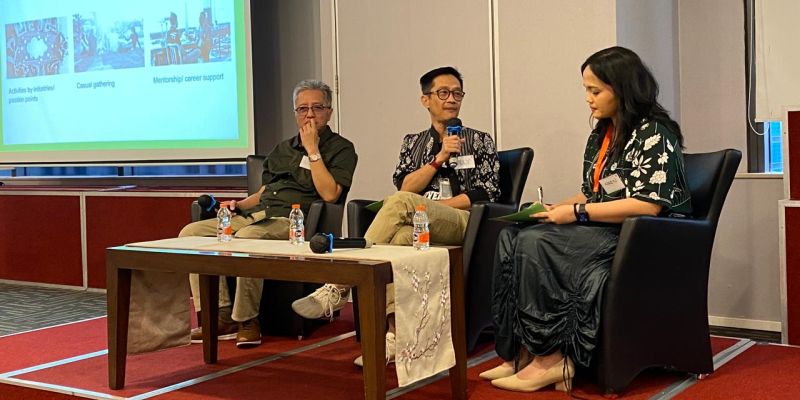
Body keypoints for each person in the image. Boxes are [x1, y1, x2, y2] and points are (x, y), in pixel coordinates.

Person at [479, 46, 692, 393]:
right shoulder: (602, 133)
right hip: (602, 227)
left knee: (536, 242)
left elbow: (647, 205)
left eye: (595, 91)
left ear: (622, 89)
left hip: (641, 238)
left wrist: (576, 213)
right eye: (586, 90)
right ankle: (520, 351)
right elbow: (591, 192)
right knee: (516, 234)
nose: (588, 99)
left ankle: (551, 359)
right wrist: (554, 209)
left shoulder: (655, 132)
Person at [291, 66, 500, 364]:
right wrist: (439, 157)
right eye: (443, 93)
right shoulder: (413, 143)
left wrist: (436, 208)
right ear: (425, 100)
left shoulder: (479, 140)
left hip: (465, 222)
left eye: (457, 93)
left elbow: (488, 192)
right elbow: (405, 185)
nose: (452, 99)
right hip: (419, 223)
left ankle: (339, 285)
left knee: (402, 203)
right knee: (398, 239)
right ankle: (396, 335)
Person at [180, 79, 357, 348]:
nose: (309, 115)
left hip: (293, 222)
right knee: (190, 234)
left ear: (330, 111)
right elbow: (265, 190)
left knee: (248, 238)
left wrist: (312, 150)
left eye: (317, 108)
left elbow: (330, 194)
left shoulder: (341, 148)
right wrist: (239, 205)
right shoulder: (282, 149)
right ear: (295, 113)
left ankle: (247, 319)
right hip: (259, 214)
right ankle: (220, 314)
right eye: (302, 109)